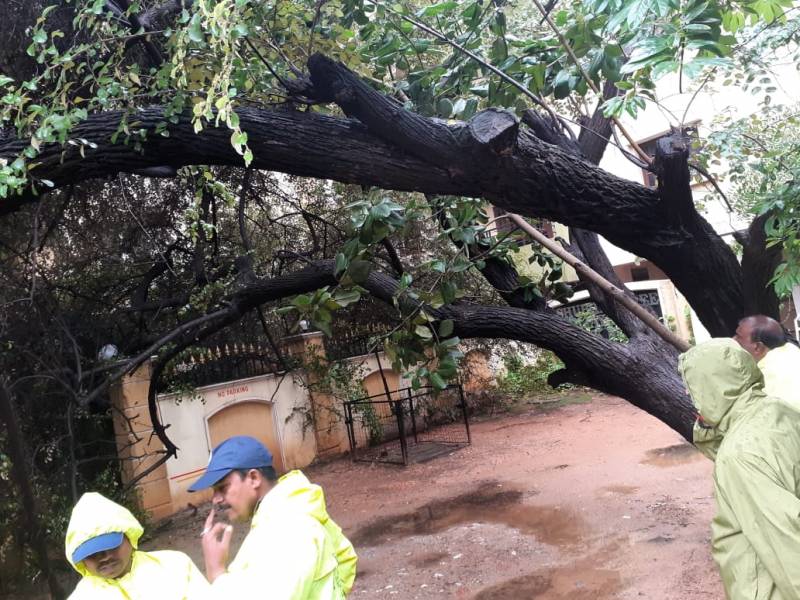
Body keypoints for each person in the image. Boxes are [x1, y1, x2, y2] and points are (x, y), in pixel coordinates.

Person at [680, 338, 800, 599]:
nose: (690, 394)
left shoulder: (739, 456)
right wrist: (709, 424)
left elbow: (788, 545)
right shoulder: (776, 409)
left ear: (713, 386)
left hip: (767, 587)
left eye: (693, 385)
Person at [189, 435, 357, 598]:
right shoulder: (293, 510)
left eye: (222, 487)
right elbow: (345, 560)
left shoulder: (286, 529)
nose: (216, 499)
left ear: (254, 478)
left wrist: (217, 573)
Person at [65, 492, 208, 599]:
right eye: (91, 553)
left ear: (129, 535)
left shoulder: (176, 566)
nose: (103, 557)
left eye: (110, 546)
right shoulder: (82, 597)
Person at [733, 314, 800, 407]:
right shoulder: (792, 351)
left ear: (757, 347)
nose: (733, 340)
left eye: (738, 336)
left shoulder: (763, 380)